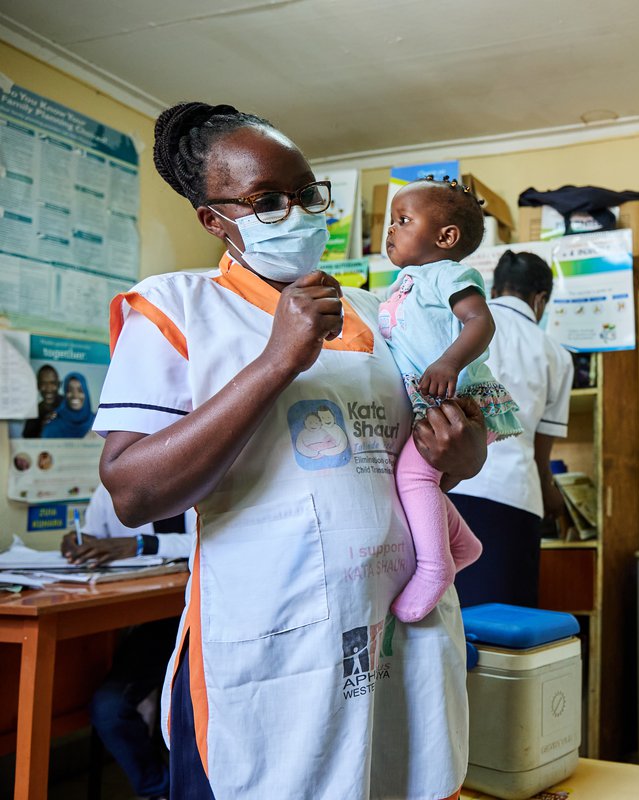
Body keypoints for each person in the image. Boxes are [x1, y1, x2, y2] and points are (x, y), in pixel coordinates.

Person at [95, 101, 486, 800]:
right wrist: (278, 358)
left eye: (307, 194)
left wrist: (462, 451)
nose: (299, 213)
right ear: (215, 220)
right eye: (267, 201)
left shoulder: (380, 310)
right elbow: (132, 491)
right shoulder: (177, 307)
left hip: (403, 636)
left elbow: (432, 463)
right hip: (276, 643)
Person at [378, 176, 522, 622]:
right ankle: (462, 543)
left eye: (403, 220)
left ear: (445, 237)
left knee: (414, 481)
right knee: (425, 484)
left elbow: (480, 321)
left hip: (451, 397)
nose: (391, 230)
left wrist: (448, 362)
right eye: (392, 220)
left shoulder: (447, 273)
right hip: (431, 399)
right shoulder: (403, 283)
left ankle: (437, 566)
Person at [449, 250, 573, 607]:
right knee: (504, 620)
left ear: (495, 286)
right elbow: (541, 451)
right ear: (540, 299)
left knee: (449, 613)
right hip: (514, 497)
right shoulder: (555, 353)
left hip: (448, 486)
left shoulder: (459, 327)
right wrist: (553, 497)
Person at [60, 483, 197, 800]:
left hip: (200, 617)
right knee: (109, 708)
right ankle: (160, 790)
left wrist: (138, 544)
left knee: (190, 713)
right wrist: (77, 543)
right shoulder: (113, 484)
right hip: (153, 623)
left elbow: (206, 539)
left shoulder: (201, 473)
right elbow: (93, 536)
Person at [41, 372, 96, 438]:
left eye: (80, 390)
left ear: (86, 393)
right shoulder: (52, 427)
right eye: (70, 390)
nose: (75, 395)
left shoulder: (97, 423)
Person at [22, 364, 62, 438]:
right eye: (43, 383)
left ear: (59, 384)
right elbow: (27, 439)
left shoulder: (69, 406)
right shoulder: (33, 414)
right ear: (37, 386)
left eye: (52, 383)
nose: (48, 389)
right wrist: (43, 429)